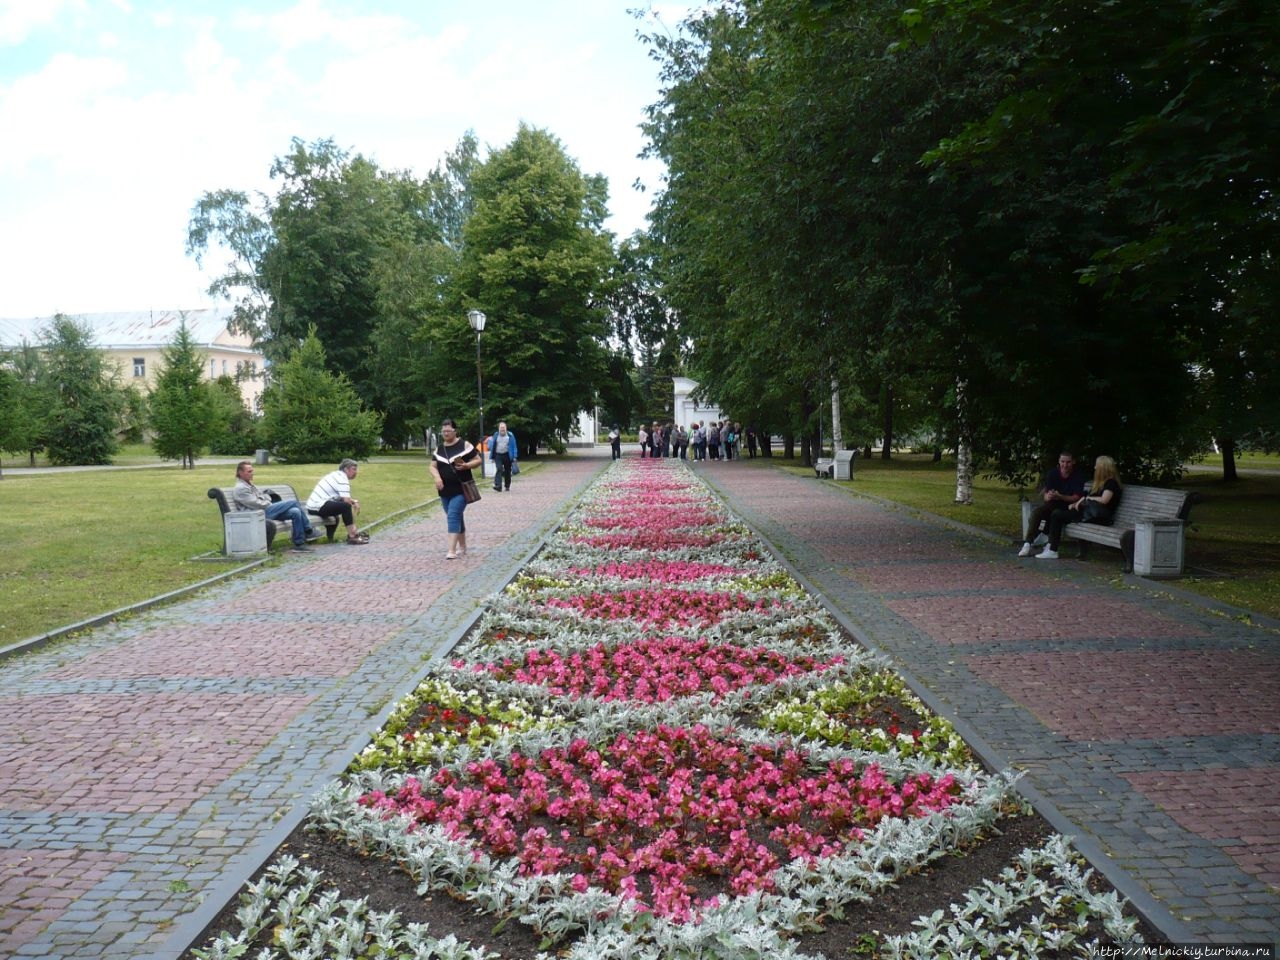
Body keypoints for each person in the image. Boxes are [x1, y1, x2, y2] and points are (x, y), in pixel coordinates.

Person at [1037, 456, 1123, 560]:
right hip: (1090, 513)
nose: (1095, 467)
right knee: (1057, 513)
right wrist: (1075, 503)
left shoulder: (1111, 483)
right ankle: (1050, 545)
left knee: (1057, 515)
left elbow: (1104, 500)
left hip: (1100, 517)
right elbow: (1090, 500)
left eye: (1097, 465)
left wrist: (1085, 499)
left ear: (1102, 468)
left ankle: (1051, 549)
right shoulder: (1101, 483)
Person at [232, 460, 319, 552]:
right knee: (293, 502)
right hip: (257, 515)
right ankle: (308, 530)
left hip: (264, 510)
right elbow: (256, 504)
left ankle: (299, 543)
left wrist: (267, 500)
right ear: (240, 473)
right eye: (249, 471)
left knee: (295, 512)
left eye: (252, 471)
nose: (252, 473)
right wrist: (269, 503)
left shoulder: (249, 485)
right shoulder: (241, 488)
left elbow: (264, 496)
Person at [429, 418, 483, 560]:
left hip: (461, 489)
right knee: (455, 516)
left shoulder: (464, 445)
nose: (446, 433)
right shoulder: (440, 449)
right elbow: (432, 466)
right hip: (444, 490)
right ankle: (463, 546)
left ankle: (451, 550)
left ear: (455, 431)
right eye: (443, 431)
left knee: (453, 515)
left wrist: (467, 466)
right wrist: (437, 477)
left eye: (448, 431)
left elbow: (478, 460)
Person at [1017, 451, 1088, 557]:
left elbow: (1076, 498)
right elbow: (1046, 495)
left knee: (1056, 514)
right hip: (1053, 503)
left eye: (1068, 462)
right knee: (1038, 512)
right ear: (1059, 462)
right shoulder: (1053, 474)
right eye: (1062, 462)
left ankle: (1047, 542)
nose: (1065, 465)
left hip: (1068, 507)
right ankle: (1027, 544)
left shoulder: (1078, 476)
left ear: (1073, 462)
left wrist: (1060, 496)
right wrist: (1049, 496)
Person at [307, 458, 370, 545]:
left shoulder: (337, 475)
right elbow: (346, 501)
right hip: (317, 506)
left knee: (339, 511)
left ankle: (331, 539)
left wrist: (354, 501)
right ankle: (353, 536)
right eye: (354, 469)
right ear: (346, 469)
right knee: (345, 506)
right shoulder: (342, 479)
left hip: (314, 505)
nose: (356, 472)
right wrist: (353, 525)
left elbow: (341, 497)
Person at [489, 421, 519, 492]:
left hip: (507, 455)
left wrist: (514, 456)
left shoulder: (510, 435)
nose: (502, 429)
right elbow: (492, 446)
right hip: (498, 455)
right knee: (499, 469)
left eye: (503, 428)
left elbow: (514, 446)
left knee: (507, 471)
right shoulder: (496, 435)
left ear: (506, 428)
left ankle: (507, 485)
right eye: (501, 428)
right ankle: (498, 486)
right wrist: (492, 457)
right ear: (498, 429)